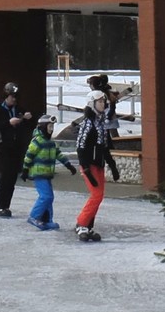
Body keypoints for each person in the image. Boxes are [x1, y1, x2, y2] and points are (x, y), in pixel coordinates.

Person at [22, 113, 77, 231]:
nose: (51, 129)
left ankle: (47, 220)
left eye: (52, 127)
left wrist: (68, 165)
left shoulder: (51, 142)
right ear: (43, 127)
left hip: (47, 174)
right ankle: (34, 216)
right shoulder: (37, 141)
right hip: (38, 174)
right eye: (49, 127)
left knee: (49, 197)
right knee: (46, 196)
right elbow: (29, 156)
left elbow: (59, 154)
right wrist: (25, 170)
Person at [0, 83, 35, 218]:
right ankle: (1, 205)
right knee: (5, 176)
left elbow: (30, 124)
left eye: (16, 97)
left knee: (13, 176)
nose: (14, 99)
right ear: (6, 96)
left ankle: (6, 205)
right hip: (4, 146)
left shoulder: (18, 108)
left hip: (17, 146)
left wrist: (28, 118)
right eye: (12, 97)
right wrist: (8, 123)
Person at [72, 93, 112, 241]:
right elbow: (80, 146)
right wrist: (85, 167)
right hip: (89, 165)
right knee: (96, 195)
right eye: (99, 101)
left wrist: (112, 164)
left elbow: (104, 146)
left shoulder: (101, 121)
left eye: (103, 101)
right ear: (92, 103)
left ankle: (88, 226)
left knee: (99, 196)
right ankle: (81, 223)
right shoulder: (88, 122)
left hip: (99, 164)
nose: (103, 104)